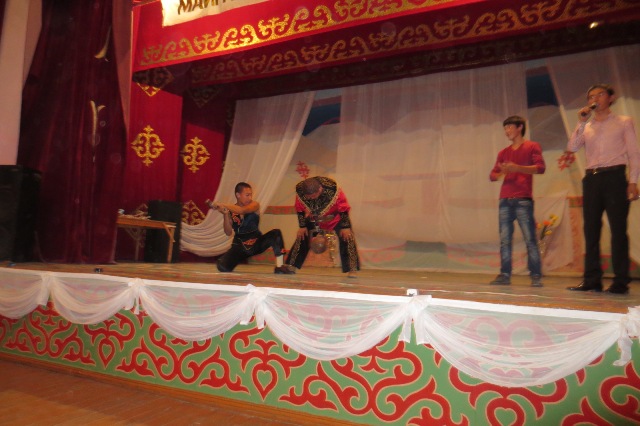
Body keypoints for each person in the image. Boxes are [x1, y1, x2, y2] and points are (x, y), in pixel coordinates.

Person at [566, 84, 640, 295]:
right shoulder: (587, 125)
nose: (595, 99)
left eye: (600, 94)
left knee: (618, 230)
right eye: (591, 96)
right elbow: (572, 147)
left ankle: (620, 282)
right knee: (591, 230)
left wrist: (633, 181)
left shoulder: (623, 122)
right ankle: (592, 280)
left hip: (615, 177)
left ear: (611, 98)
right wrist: (581, 122)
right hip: (592, 179)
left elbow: (634, 153)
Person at [489, 115, 546, 287]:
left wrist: (517, 168)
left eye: (509, 127)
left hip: (523, 199)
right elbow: (492, 176)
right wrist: (503, 172)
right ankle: (505, 274)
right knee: (505, 240)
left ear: (520, 127)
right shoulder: (503, 153)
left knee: (530, 239)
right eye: (505, 128)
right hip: (505, 199)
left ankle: (536, 275)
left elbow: (540, 168)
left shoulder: (532, 146)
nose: (506, 131)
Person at [284, 176, 360, 277]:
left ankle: (352, 268)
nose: (311, 199)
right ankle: (291, 265)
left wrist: (346, 227)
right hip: (314, 218)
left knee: (347, 236)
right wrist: (302, 226)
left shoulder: (334, 190)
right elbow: (299, 209)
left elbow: (343, 208)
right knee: (302, 235)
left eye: (313, 196)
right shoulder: (301, 191)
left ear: (320, 189)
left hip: (335, 218)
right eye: (309, 197)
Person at [209, 182, 293, 274]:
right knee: (222, 267)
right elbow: (228, 232)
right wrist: (225, 214)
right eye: (247, 195)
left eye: (250, 195)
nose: (249, 198)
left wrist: (222, 204)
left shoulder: (254, 205)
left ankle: (280, 266)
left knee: (276, 233)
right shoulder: (231, 211)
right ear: (238, 195)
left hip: (256, 242)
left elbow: (242, 210)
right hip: (239, 245)